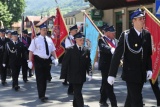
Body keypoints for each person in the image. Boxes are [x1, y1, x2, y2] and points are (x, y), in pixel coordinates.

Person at [107, 8, 153, 107]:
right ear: (133, 21)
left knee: (130, 99)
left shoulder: (147, 35)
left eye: (143, 18)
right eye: (140, 19)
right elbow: (117, 55)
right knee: (137, 101)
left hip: (141, 74)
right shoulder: (126, 35)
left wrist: (149, 69)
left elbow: (148, 54)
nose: (143, 21)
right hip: (130, 74)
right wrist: (112, 74)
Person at [28, 24, 58, 102]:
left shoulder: (49, 39)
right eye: (43, 30)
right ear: (40, 30)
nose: (45, 31)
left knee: (45, 78)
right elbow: (31, 51)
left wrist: (56, 58)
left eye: (46, 30)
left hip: (47, 61)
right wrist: (30, 61)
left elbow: (53, 50)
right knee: (40, 78)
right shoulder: (35, 40)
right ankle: (41, 95)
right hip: (39, 60)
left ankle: (43, 94)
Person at [60, 32, 92, 107]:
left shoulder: (86, 50)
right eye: (80, 40)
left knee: (77, 92)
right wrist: (63, 75)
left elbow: (88, 63)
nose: (82, 41)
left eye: (83, 40)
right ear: (76, 40)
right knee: (78, 93)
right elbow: (65, 63)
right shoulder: (70, 50)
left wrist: (89, 73)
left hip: (81, 76)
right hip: (73, 76)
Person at [98, 25, 118, 107]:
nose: (114, 34)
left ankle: (102, 99)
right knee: (109, 84)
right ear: (108, 33)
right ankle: (114, 103)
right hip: (105, 66)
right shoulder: (102, 40)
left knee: (105, 83)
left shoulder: (116, 41)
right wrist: (110, 49)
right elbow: (103, 47)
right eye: (112, 32)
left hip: (113, 65)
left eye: (114, 32)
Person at [63, 25, 78, 95]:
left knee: (76, 74)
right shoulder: (68, 39)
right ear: (71, 31)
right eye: (75, 31)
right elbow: (68, 48)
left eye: (76, 30)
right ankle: (70, 90)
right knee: (72, 74)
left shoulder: (77, 38)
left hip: (77, 58)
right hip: (71, 58)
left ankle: (73, 89)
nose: (76, 32)